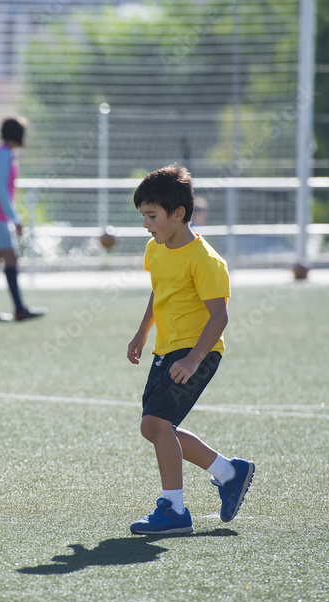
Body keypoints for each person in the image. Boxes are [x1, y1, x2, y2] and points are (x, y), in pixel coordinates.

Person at [125, 163, 254, 535]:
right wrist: (141, 332)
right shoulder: (156, 249)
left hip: (198, 352)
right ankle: (230, 473)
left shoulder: (206, 260)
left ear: (178, 214)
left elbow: (219, 317)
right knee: (154, 427)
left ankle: (175, 511)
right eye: (143, 216)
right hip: (166, 350)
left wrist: (194, 357)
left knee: (158, 423)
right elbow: (160, 292)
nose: (146, 224)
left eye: (152, 215)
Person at [0, 116, 45, 322]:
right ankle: (19, 309)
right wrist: (14, 218)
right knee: (11, 259)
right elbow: (0, 189)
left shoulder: (1, 153)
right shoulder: (4, 155)